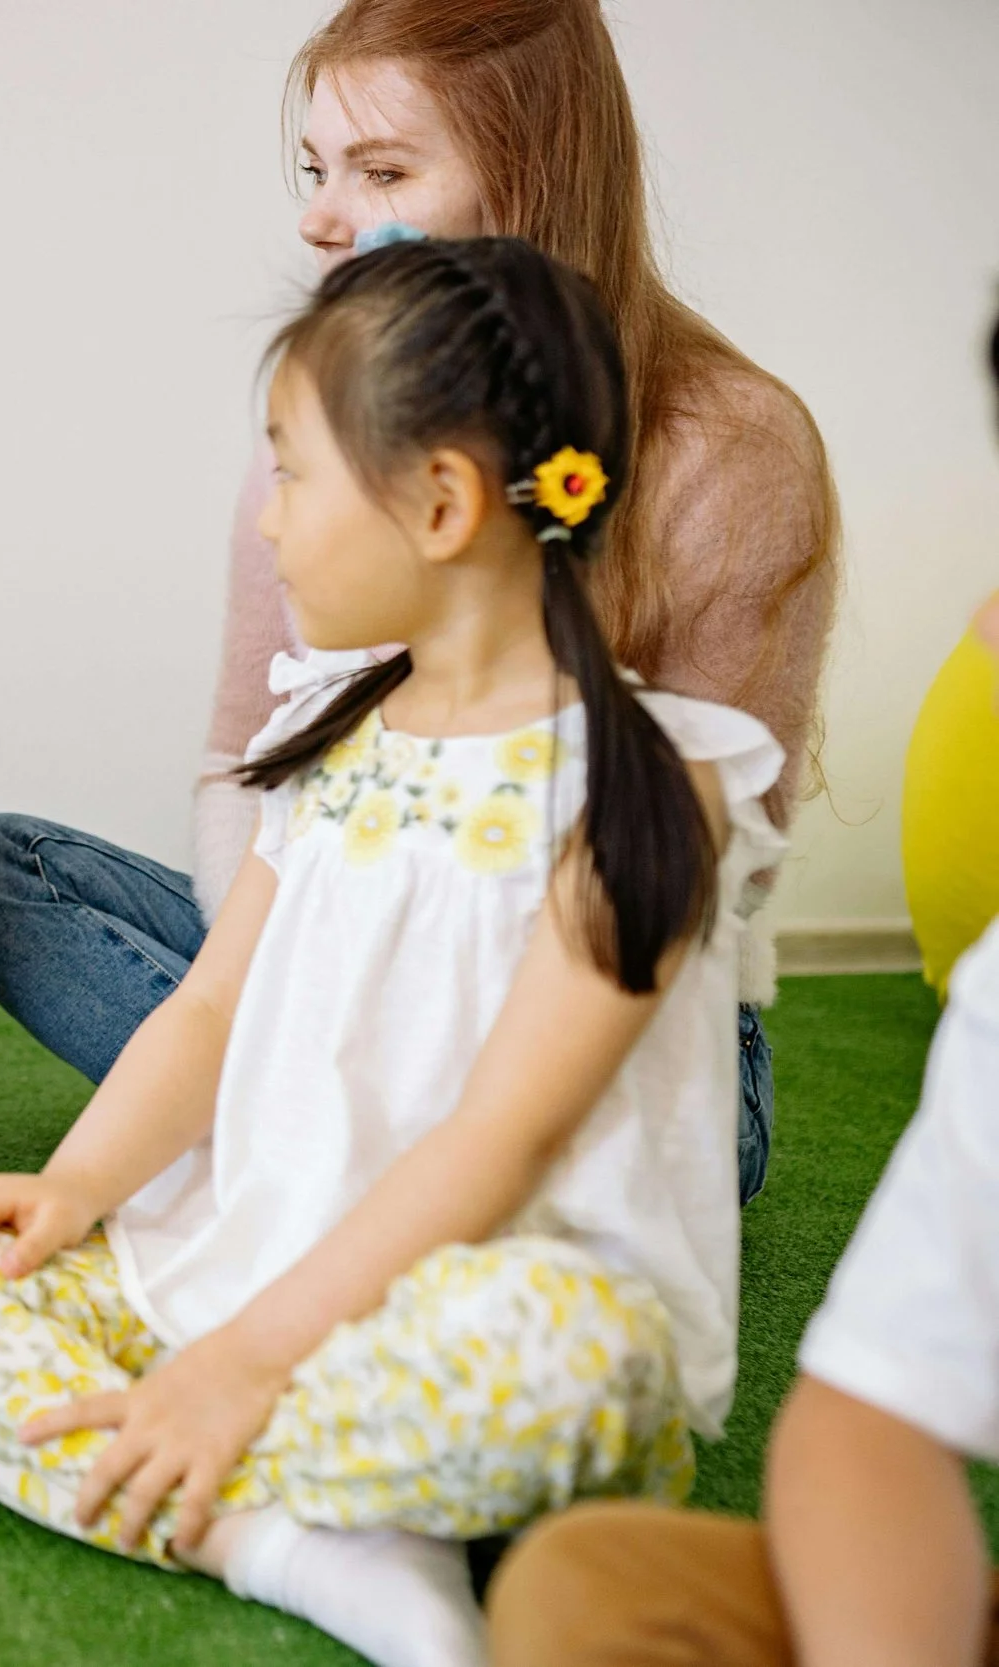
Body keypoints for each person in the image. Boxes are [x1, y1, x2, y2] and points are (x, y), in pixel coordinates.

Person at [0, 236, 781, 1667]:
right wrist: (72, 1187)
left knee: (573, 1363)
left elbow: (507, 1134)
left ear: (443, 500)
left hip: (480, 1296)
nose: (267, 522)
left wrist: (244, 1365)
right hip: (238, 1262)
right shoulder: (333, 736)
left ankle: (241, 1460)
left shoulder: (647, 782)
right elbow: (210, 1007)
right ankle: (287, 1537)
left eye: (289, 470)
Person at [0, 0, 837, 1205]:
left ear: (529, 176)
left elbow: (709, 883)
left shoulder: (734, 448)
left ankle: (325, 1149)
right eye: (316, 168)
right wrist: (308, 958)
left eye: (381, 169)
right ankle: (341, 1141)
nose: (316, 214)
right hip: (341, 946)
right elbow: (240, 767)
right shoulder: (318, 440)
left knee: (642, 1141)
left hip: (601, 1008)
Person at [482, 317, 999, 1667]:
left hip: (603, 1071)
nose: (987, 624)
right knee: (586, 1584)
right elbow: (865, 1413)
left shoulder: (675, 745)